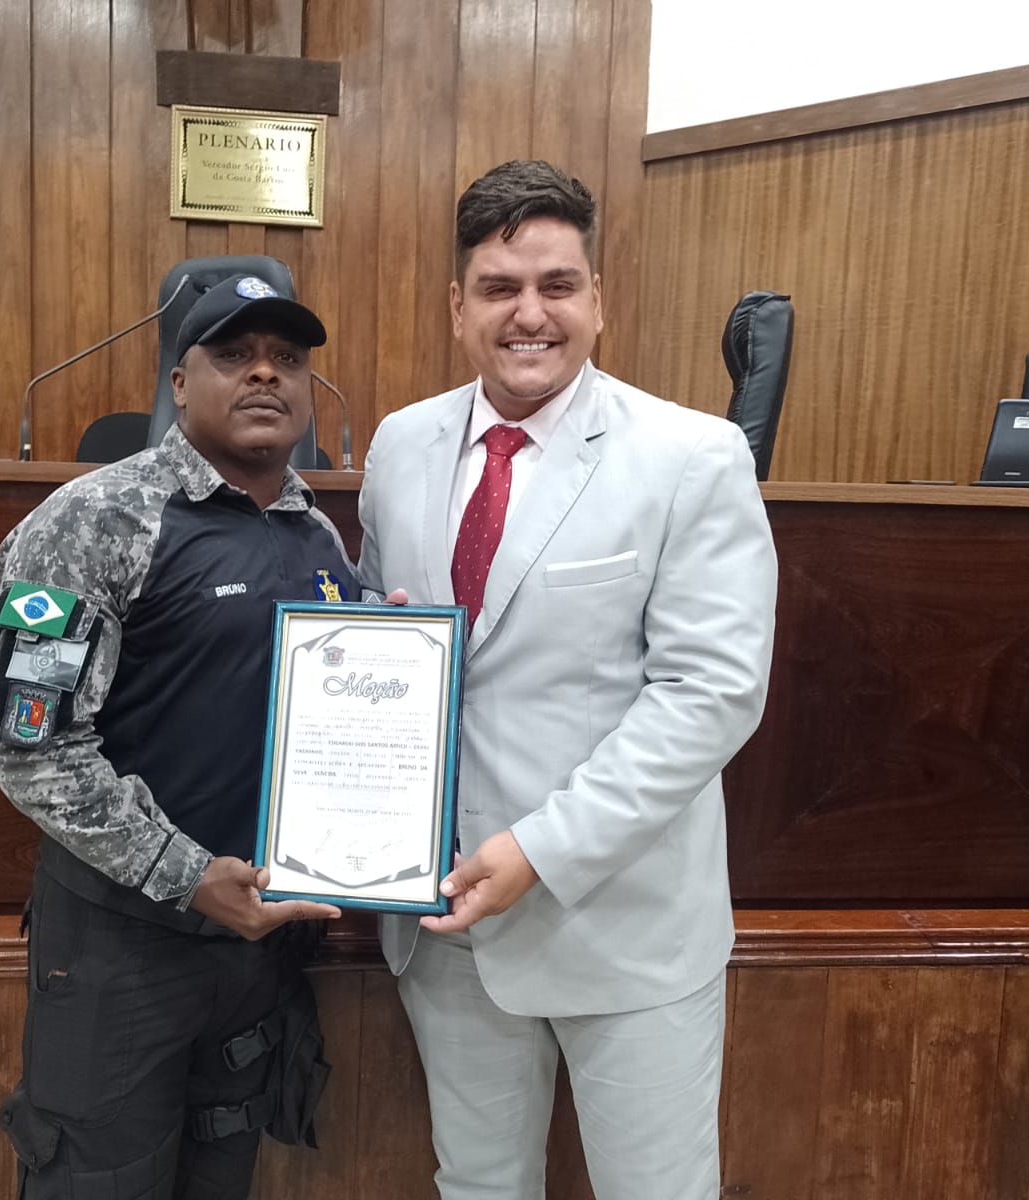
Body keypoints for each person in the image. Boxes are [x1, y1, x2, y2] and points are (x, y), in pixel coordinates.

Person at [357, 160, 778, 1199]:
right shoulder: (401, 445)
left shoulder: (691, 455)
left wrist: (540, 850)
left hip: (621, 923)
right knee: (477, 1185)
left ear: (598, 299)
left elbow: (710, 695)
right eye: (499, 288)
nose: (530, 314)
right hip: (444, 923)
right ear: (458, 307)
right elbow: (383, 644)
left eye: (557, 285)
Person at [0, 273, 356, 1200]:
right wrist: (187, 877)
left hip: (256, 944)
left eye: (287, 359)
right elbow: (31, 748)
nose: (264, 374)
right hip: (123, 946)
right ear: (179, 384)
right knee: (97, 1181)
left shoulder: (320, 538)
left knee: (223, 1173)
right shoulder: (91, 521)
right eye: (233, 355)